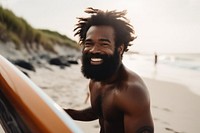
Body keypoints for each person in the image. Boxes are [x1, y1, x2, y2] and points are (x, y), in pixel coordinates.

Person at [64, 7, 154, 133]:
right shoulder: (96, 80)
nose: (94, 50)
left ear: (120, 49)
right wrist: (65, 112)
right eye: (89, 43)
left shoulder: (132, 91)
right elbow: (101, 111)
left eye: (104, 44)